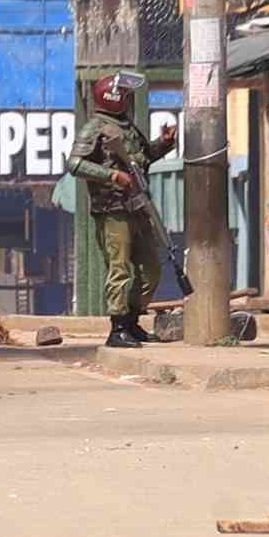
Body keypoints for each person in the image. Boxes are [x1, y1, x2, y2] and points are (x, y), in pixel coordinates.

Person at [67, 72, 177, 348]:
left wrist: (164, 143)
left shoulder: (126, 127)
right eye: (125, 95)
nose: (129, 99)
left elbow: (143, 158)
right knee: (119, 268)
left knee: (151, 267)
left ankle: (131, 321)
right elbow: (75, 164)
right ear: (114, 98)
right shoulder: (96, 127)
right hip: (113, 209)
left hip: (138, 205)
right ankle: (117, 328)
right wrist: (112, 176)